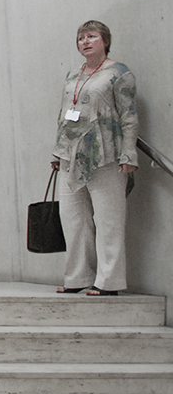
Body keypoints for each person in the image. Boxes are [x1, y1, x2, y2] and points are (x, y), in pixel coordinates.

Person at [52, 21, 138, 296]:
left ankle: (108, 282)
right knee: (73, 218)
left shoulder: (119, 73)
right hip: (70, 156)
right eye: (81, 38)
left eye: (91, 37)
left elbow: (129, 117)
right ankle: (77, 277)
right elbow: (63, 114)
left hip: (106, 155)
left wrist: (129, 153)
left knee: (109, 219)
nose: (85, 42)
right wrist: (57, 150)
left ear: (105, 41)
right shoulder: (73, 75)